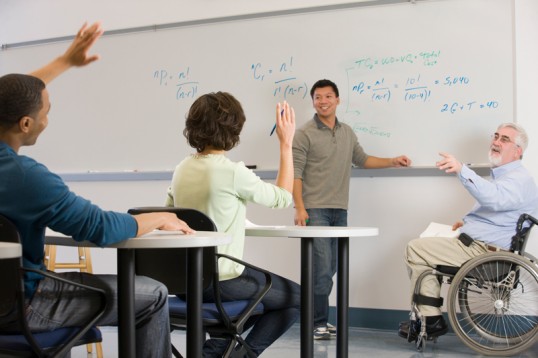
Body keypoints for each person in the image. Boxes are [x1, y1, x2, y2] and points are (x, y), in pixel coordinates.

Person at [0, 22, 194, 358]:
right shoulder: (27, 178)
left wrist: (65, 61)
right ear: (26, 124)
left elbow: (8, 97)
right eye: (46, 112)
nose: (48, 118)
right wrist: (160, 216)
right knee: (153, 294)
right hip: (22, 307)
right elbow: (101, 228)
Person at [165, 92, 301, 357]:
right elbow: (283, 198)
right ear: (234, 128)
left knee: (268, 301)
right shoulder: (233, 171)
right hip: (221, 281)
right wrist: (286, 144)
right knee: (297, 298)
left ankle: (217, 350)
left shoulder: (182, 168)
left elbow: (170, 214)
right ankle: (236, 354)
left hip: (183, 283)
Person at [292, 78, 411, 340]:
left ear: (337, 100)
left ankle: (319, 320)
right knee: (321, 270)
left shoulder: (347, 132)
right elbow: (295, 173)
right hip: (315, 210)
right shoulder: (304, 133)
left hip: (339, 210)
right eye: (318, 97)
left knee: (331, 267)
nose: (322, 101)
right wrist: (299, 207)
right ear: (313, 101)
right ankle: (316, 323)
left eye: (327, 97)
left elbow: (363, 159)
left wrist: (392, 160)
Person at [400, 122, 538, 340]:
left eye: (504, 139)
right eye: (496, 136)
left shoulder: (518, 179)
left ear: (518, 150)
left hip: (486, 254)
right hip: (479, 247)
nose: (496, 142)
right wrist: (466, 223)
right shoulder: (506, 177)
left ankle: (430, 319)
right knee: (423, 247)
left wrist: (462, 169)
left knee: (415, 249)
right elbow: (497, 209)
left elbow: (493, 198)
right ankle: (428, 318)